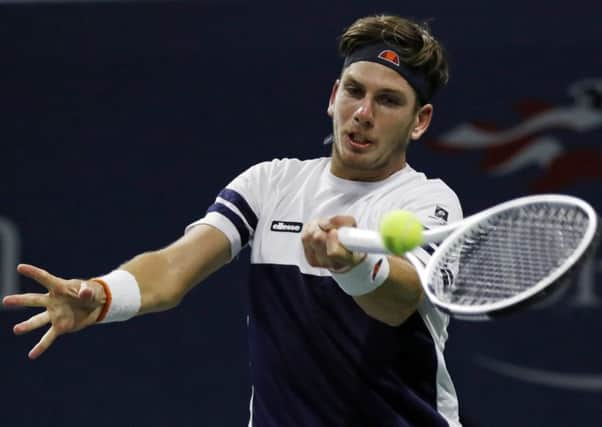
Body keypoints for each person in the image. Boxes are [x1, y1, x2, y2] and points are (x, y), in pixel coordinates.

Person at [4, 14, 462, 427]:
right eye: (354, 90)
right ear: (333, 95)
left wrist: (355, 266)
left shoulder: (427, 201)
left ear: (419, 122)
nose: (363, 114)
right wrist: (105, 295)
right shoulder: (270, 183)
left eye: (388, 100)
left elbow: (401, 299)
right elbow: (172, 269)